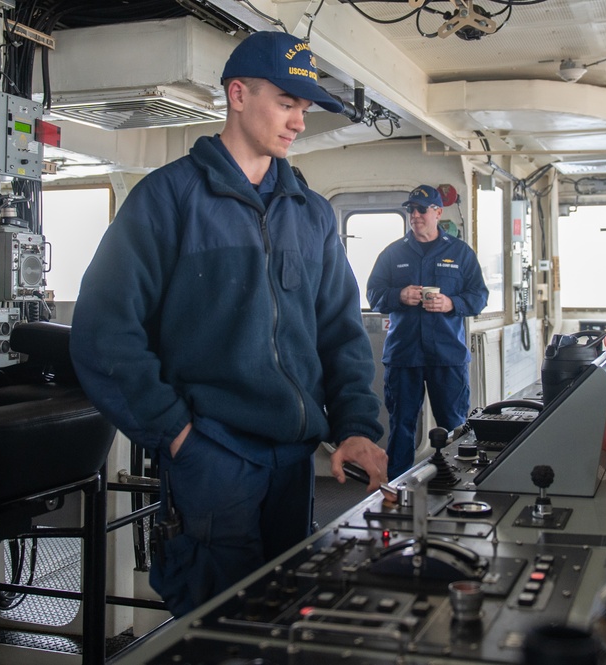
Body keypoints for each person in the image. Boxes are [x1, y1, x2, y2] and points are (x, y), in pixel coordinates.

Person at [69, 31, 388, 617]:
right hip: (214, 459)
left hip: (294, 464)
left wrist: (356, 425)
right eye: (286, 103)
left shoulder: (311, 213)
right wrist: (177, 435)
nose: (298, 120)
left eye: (305, 108)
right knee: (216, 632)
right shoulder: (167, 199)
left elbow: (339, 332)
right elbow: (103, 332)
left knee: (285, 623)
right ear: (237, 94)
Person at [367, 185, 489, 479]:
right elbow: (374, 294)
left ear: (438, 212)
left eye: (422, 210)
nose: (416, 216)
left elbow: (479, 297)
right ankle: (397, 487)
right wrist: (399, 296)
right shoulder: (393, 253)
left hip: (447, 356)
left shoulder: (460, 253)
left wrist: (451, 302)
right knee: (402, 425)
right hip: (403, 355)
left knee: (455, 425)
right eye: (411, 210)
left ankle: (461, 484)